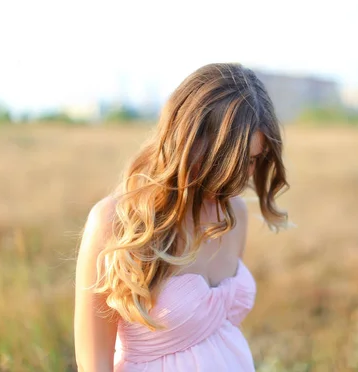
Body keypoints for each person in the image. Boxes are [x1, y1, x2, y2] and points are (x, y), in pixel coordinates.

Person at [74, 63, 289, 371]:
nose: (242, 176)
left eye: (254, 160)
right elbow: (92, 363)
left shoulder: (234, 214)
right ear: (190, 140)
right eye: (230, 160)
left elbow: (216, 332)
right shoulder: (115, 221)